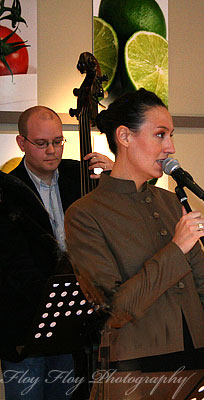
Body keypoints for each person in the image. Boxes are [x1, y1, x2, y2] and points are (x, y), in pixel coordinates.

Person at [64, 88, 204, 399]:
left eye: (171, 135)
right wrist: (176, 248)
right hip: (134, 375)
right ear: (124, 136)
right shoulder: (84, 214)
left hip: (198, 364)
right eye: (160, 135)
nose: (170, 147)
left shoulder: (172, 202)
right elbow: (115, 308)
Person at [0, 105, 113, 400]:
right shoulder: (8, 190)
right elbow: (13, 264)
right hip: (25, 329)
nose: (51, 150)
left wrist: (118, 175)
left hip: (72, 329)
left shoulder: (81, 176)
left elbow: (126, 211)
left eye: (58, 141)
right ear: (21, 143)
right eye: (41, 143)